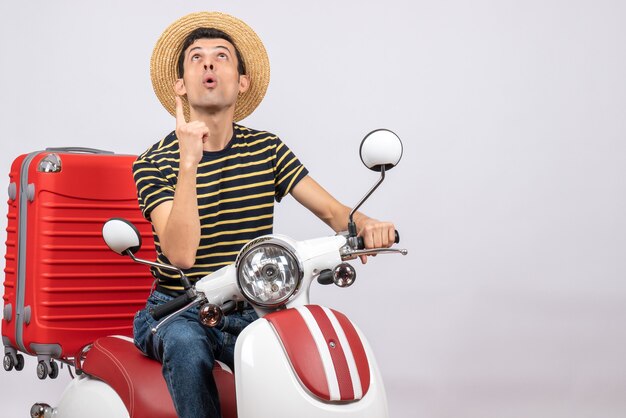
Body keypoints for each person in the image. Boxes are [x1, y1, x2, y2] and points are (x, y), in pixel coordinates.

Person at [131, 11, 396, 418]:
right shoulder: (155, 162)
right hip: (177, 310)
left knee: (305, 352)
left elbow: (330, 210)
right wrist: (189, 161)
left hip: (253, 307)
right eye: (196, 57)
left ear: (241, 82)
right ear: (180, 85)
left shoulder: (267, 150)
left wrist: (366, 224)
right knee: (187, 348)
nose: (208, 63)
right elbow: (181, 255)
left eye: (222, 56)